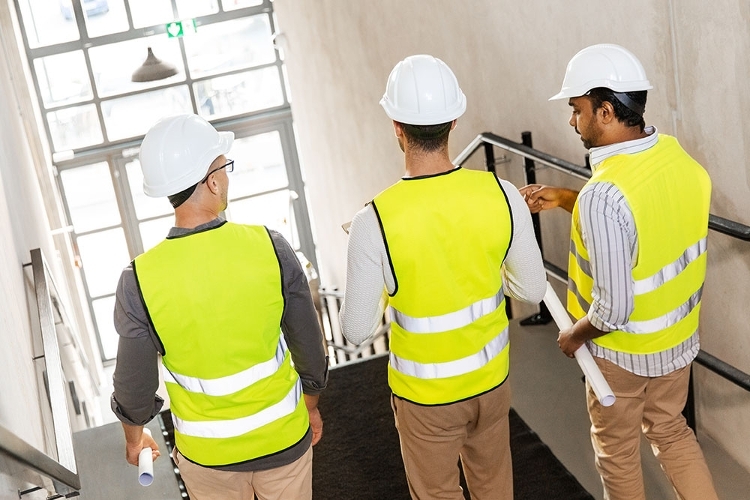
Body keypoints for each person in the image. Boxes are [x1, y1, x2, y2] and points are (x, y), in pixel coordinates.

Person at [340, 54, 546, 500]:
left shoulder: (372, 222)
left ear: (397, 126)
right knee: (495, 489)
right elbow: (532, 289)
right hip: (491, 383)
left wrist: (374, 267)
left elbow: (356, 331)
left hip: (425, 399)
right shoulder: (502, 193)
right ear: (454, 121)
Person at [520, 43, 718, 500]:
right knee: (672, 433)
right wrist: (568, 198)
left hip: (621, 357)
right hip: (678, 343)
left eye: (577, 110)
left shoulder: (604, 198)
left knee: (618, 453)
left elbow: (612, 310)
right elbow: (648, 223)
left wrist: (573, 336)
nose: (573, 121)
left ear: (605, 111)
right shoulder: (678, 160)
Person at [111, 113, 328, 500]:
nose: (226, 177)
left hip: (207, 456)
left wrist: (134, 438)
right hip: (282, 438)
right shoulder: (270, 245)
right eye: (223, 167)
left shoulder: (138, 280)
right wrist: (310, 404)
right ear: (212, 181)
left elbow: (134, 387)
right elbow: (310, 349)